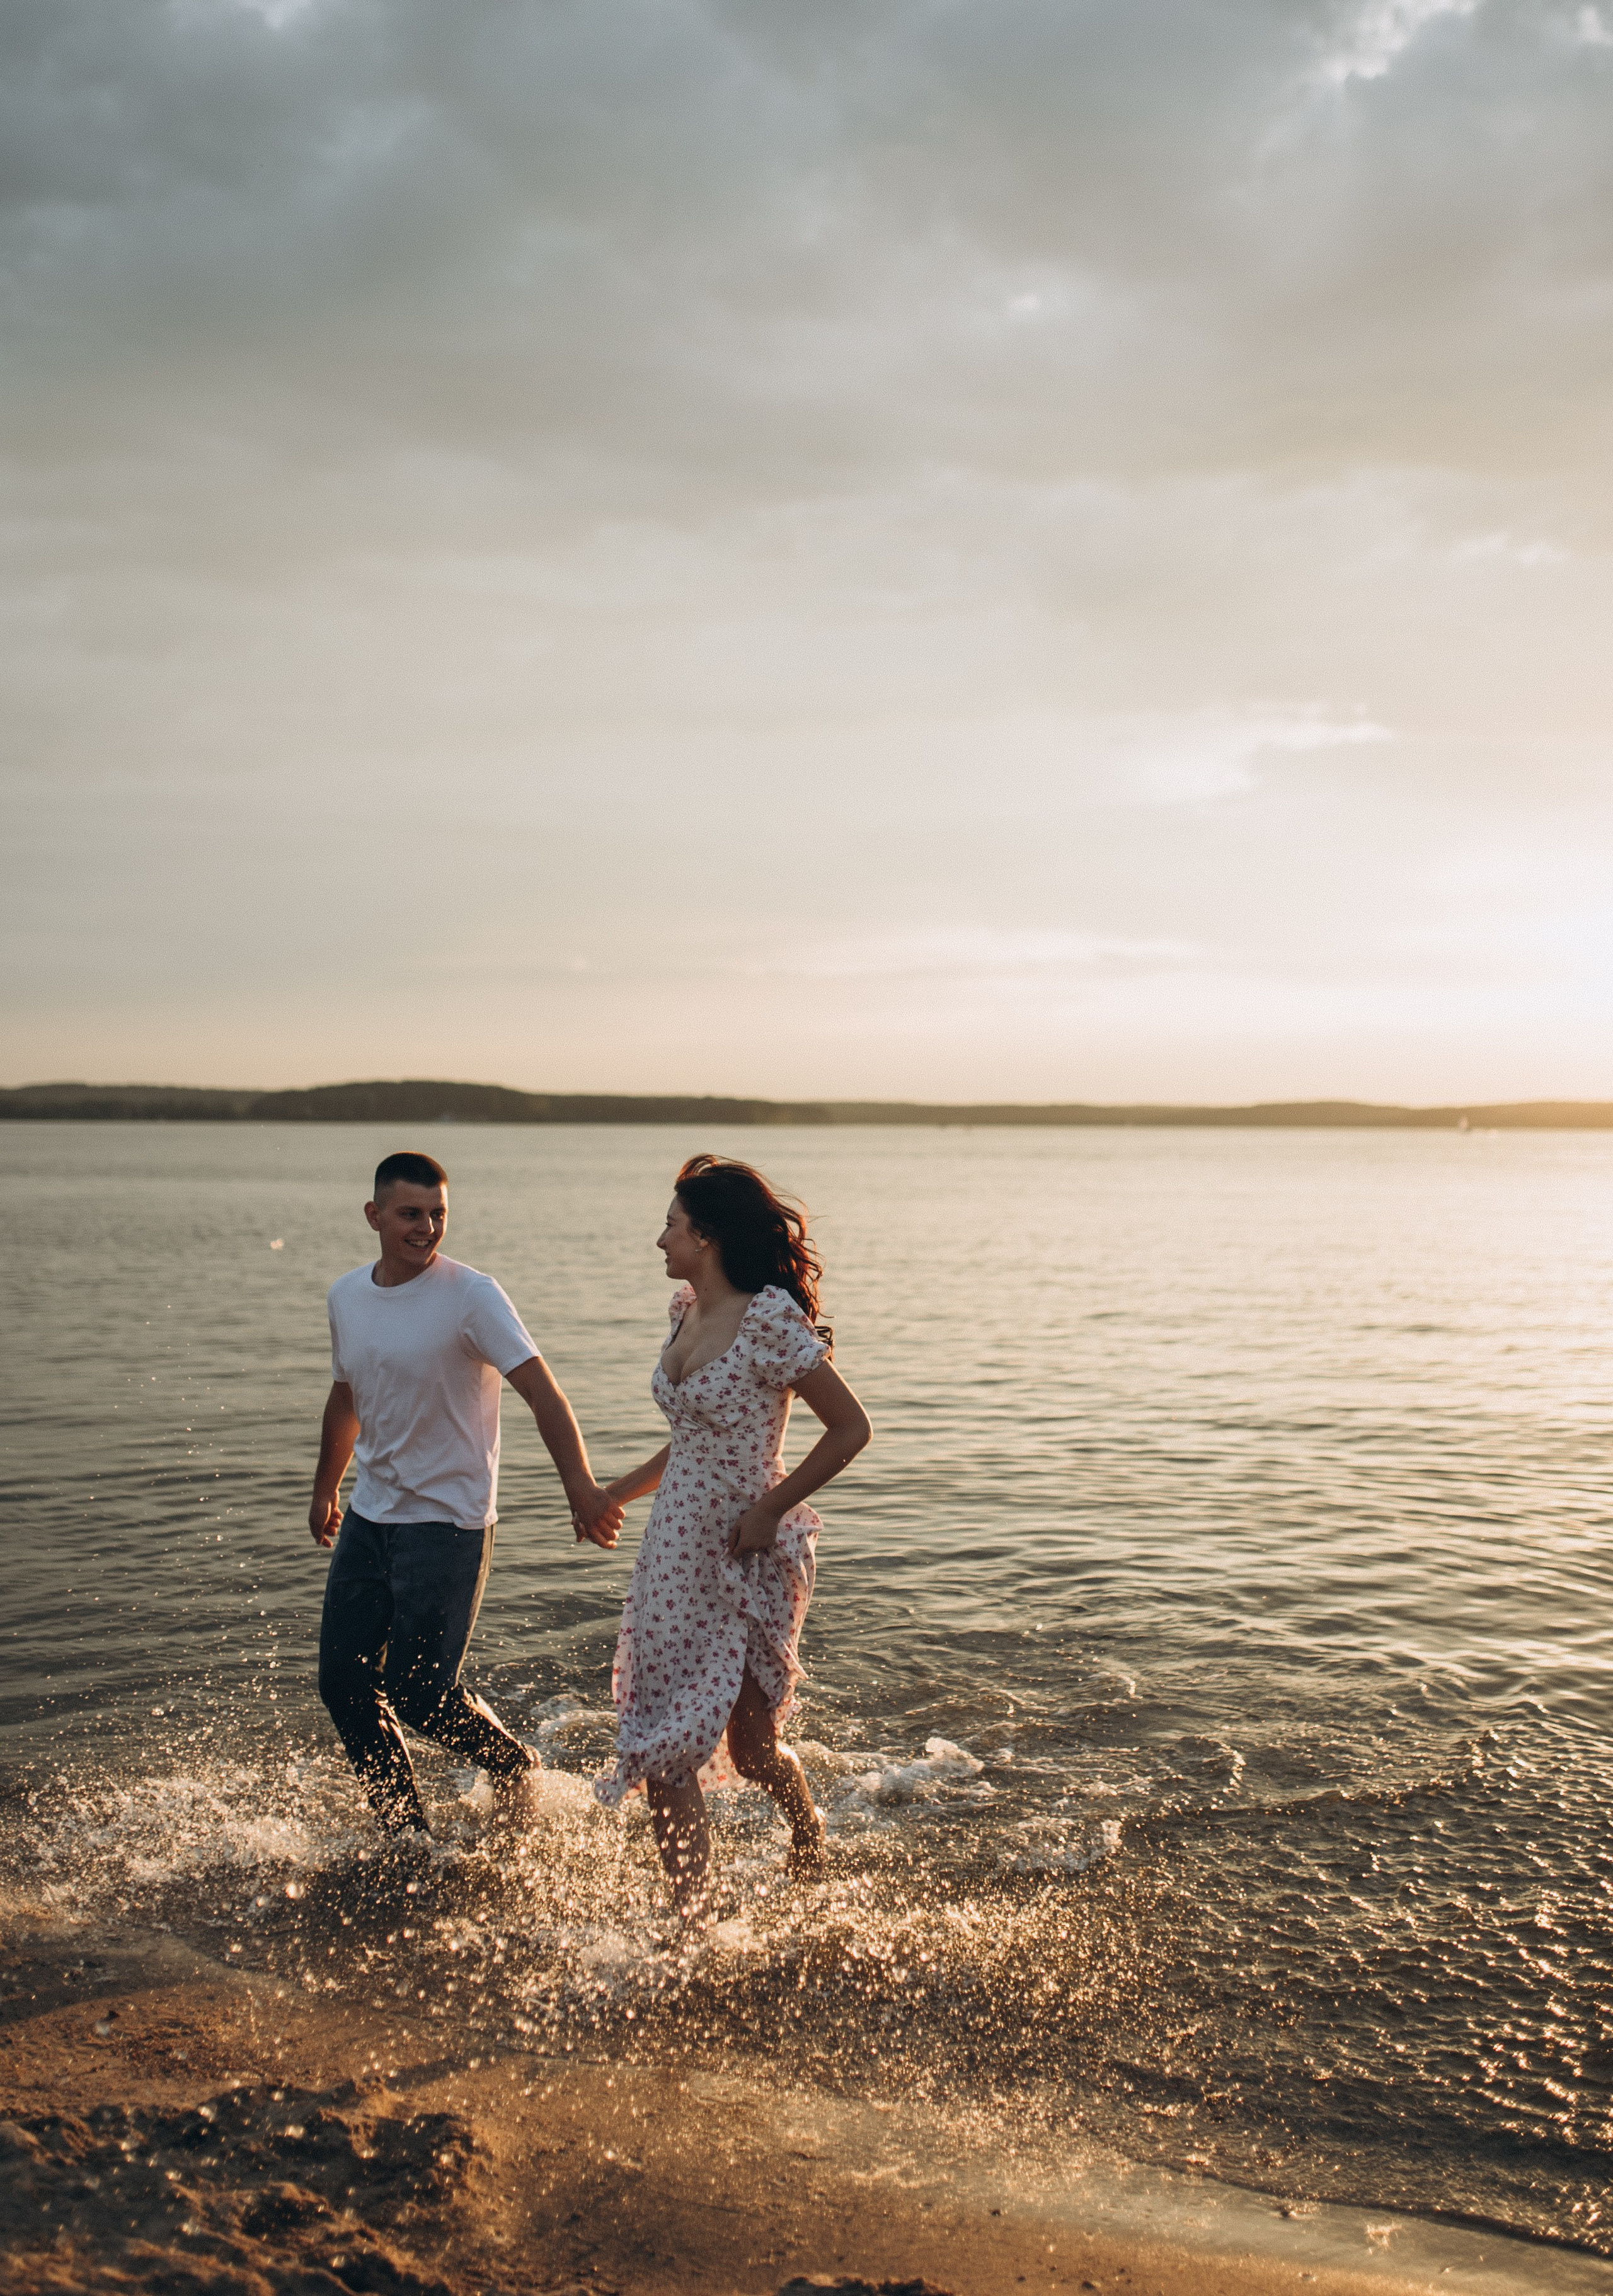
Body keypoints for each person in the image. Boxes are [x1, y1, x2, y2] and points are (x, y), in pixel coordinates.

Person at [309, 1150, 622, 1838]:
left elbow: (542, 1391)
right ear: (375, 1216)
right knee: (344, 1682)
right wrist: (325, 1487)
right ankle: (404, 1831)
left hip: (447, 1523)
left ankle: (513, 1767)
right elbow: (346, 1396)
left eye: (438, 1215)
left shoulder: (472, 1295)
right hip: (370, 1516)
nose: (426, 1228)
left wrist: (580, 1488)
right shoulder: (346, 1297)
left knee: (421, 1695)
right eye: (410, 1215)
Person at [593, 1153, 871, 1926]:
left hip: (747, 1552)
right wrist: (613, 1493)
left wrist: (771, 1510)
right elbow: (690, 1439)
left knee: (752, 1752)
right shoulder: (685, 1310)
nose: (660, 1241)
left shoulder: (769, 1321)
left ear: (706, 1236)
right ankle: (694, 1925)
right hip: (671, 1552)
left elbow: (850, 1429)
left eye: (672, 1227)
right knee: (666, 1741)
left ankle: (807, 1828)